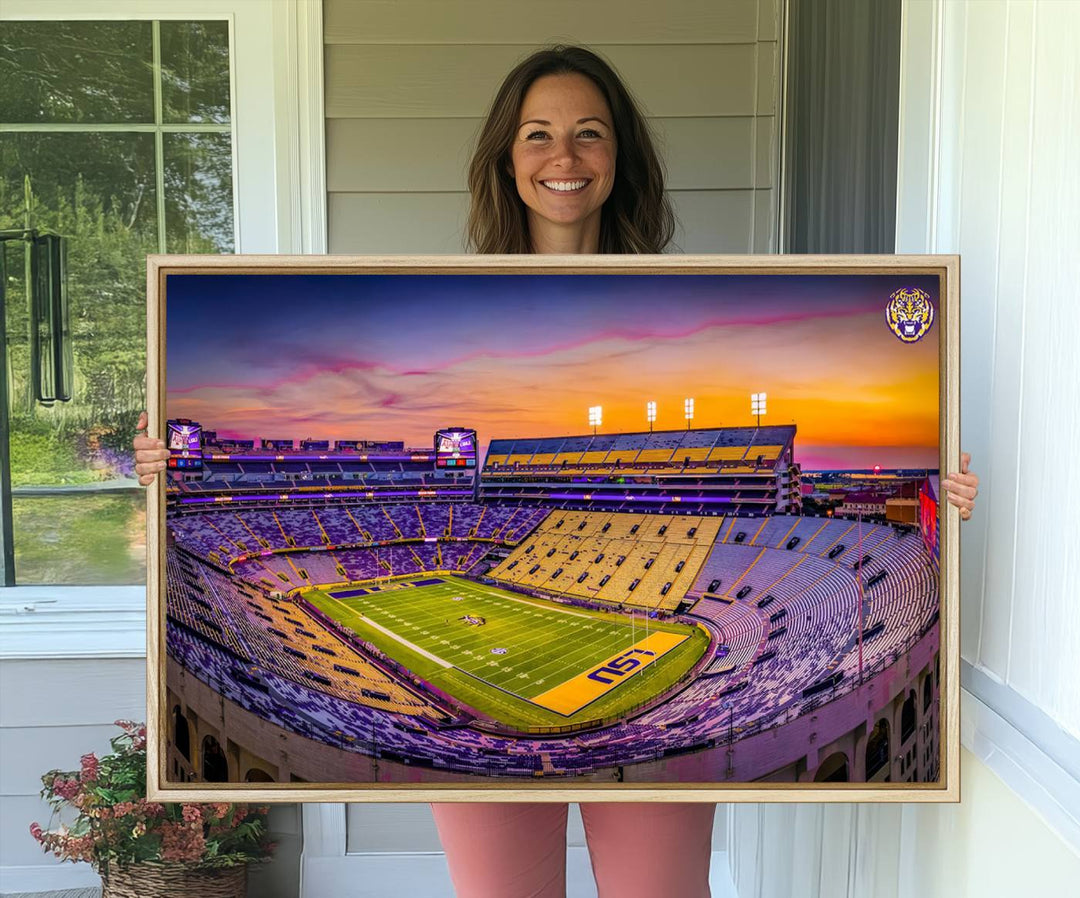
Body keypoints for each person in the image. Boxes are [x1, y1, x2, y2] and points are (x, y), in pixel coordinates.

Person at [134, 44, 980, 898]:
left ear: (620, 158)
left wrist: (937, 495)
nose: (563, 157)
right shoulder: (451, 302)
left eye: (589, 134)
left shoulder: (683, 302)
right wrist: (162, 469)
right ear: (507, 158)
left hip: (654, 615)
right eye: (538, 134)